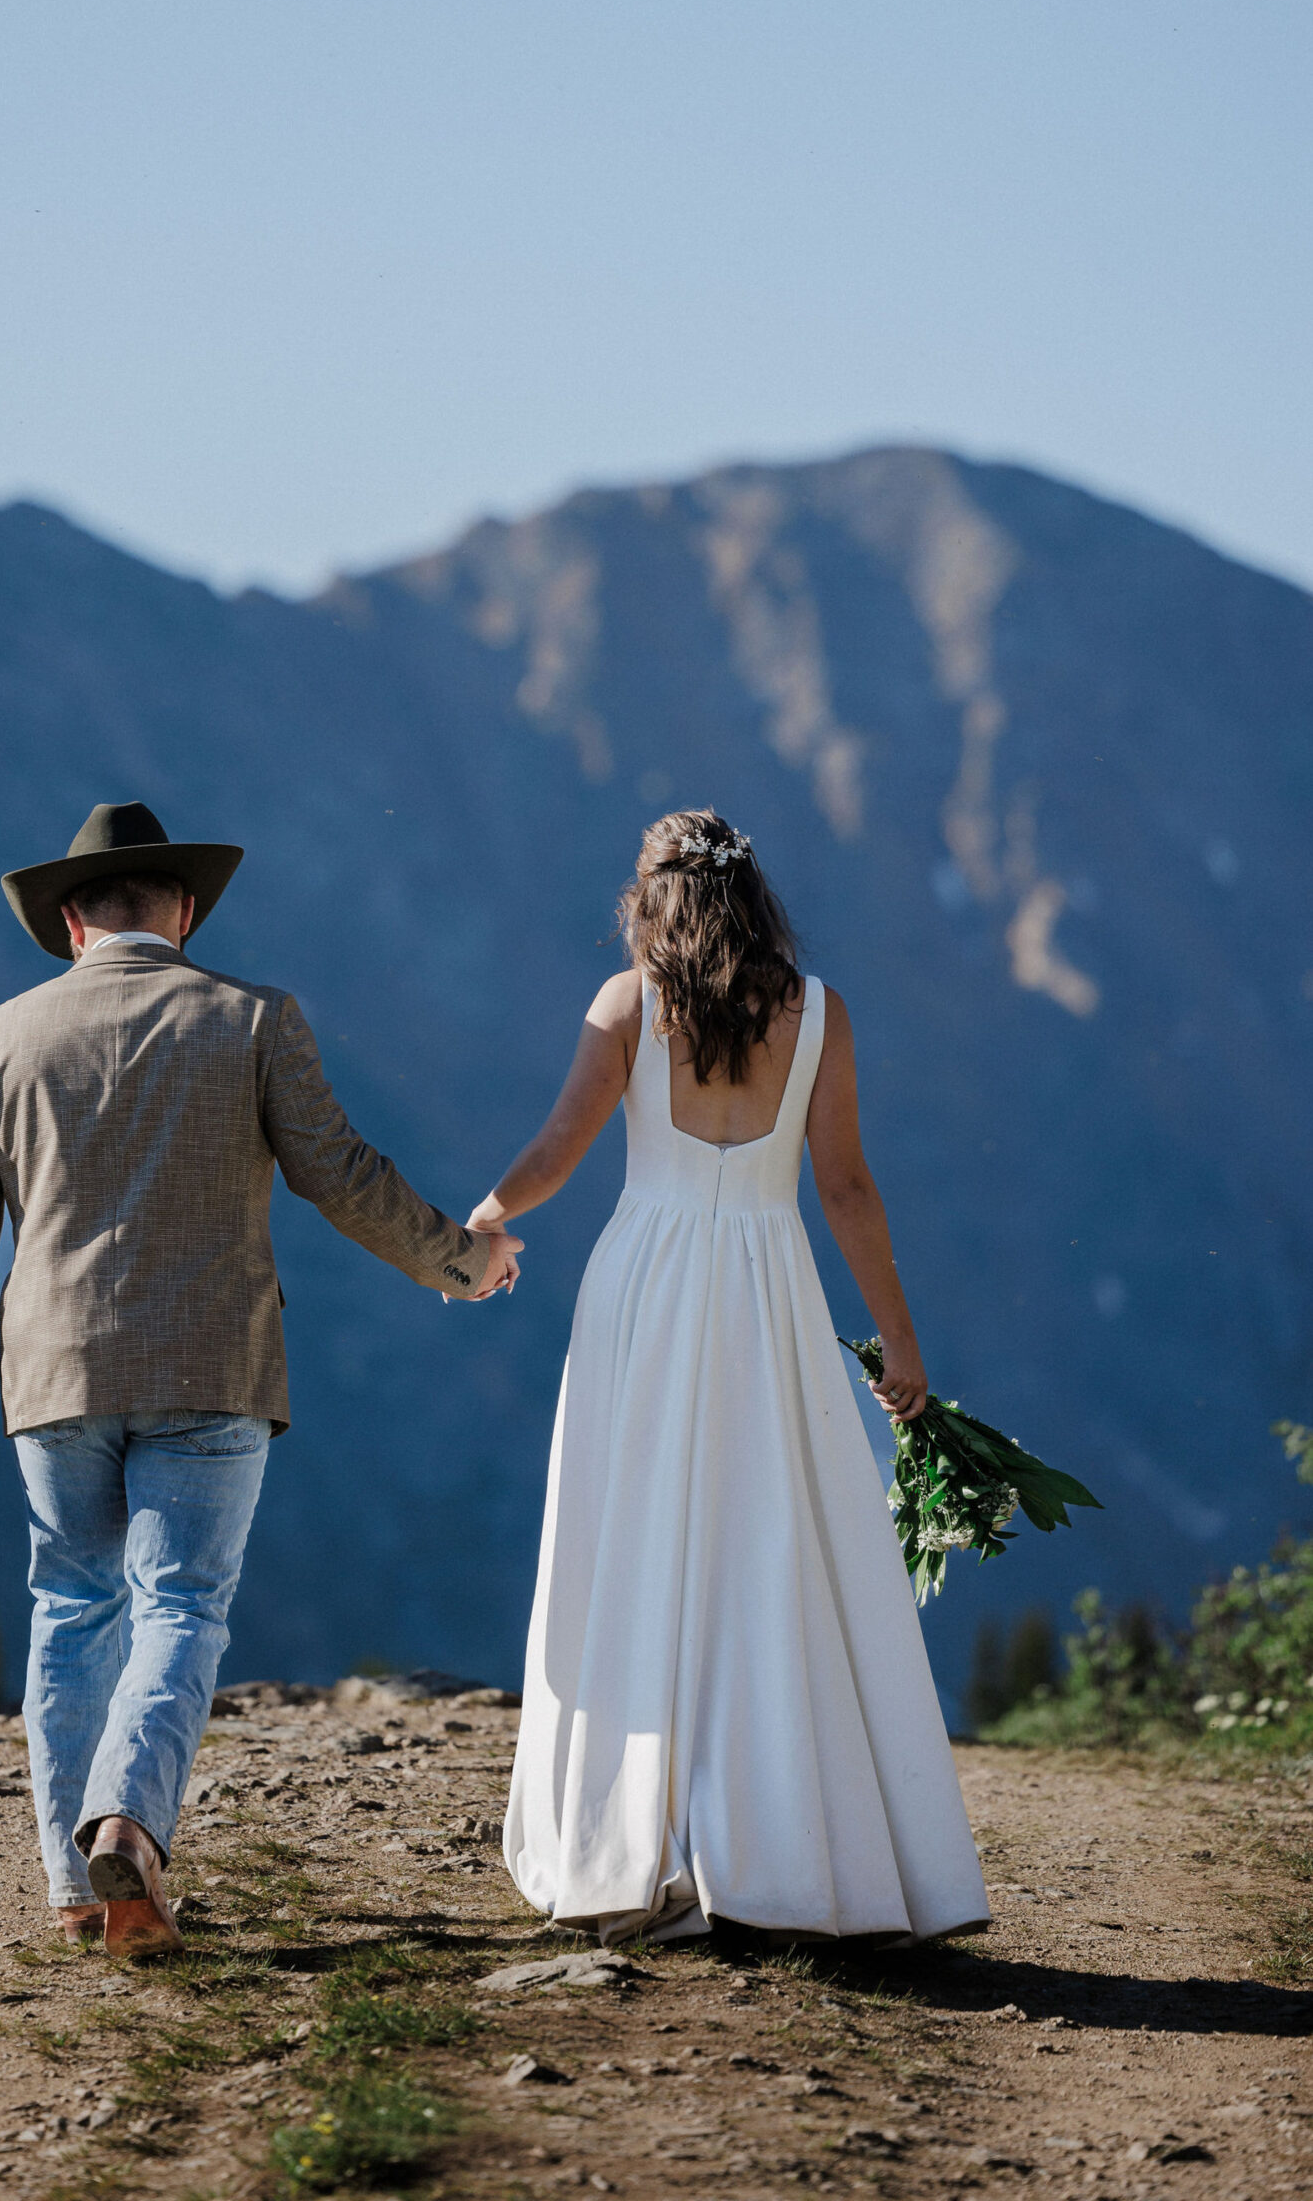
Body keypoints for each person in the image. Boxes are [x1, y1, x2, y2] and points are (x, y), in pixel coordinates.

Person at [0, 801, 522, 1952]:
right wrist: (463, 1259)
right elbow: (339, 1176)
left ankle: (74, 1888)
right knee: (178, 1605)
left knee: (71, 1607)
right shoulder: (252, 1019)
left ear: (73, 922)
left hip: (53, 1374)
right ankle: (130, 1828)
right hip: (213, 1366)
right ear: (183, 913)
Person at [478, 809, 988, 1945]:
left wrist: (488, 1218)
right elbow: (848, 1190)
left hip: (645, 1291)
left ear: (651, 896)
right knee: (773, 1546)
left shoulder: (626, 1004)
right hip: (768, 1289)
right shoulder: (819, 1015)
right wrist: (899, 1340)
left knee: (637, 1538)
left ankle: (631, 1836)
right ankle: (782, 1844)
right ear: (753, 893)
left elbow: (561, 1144)